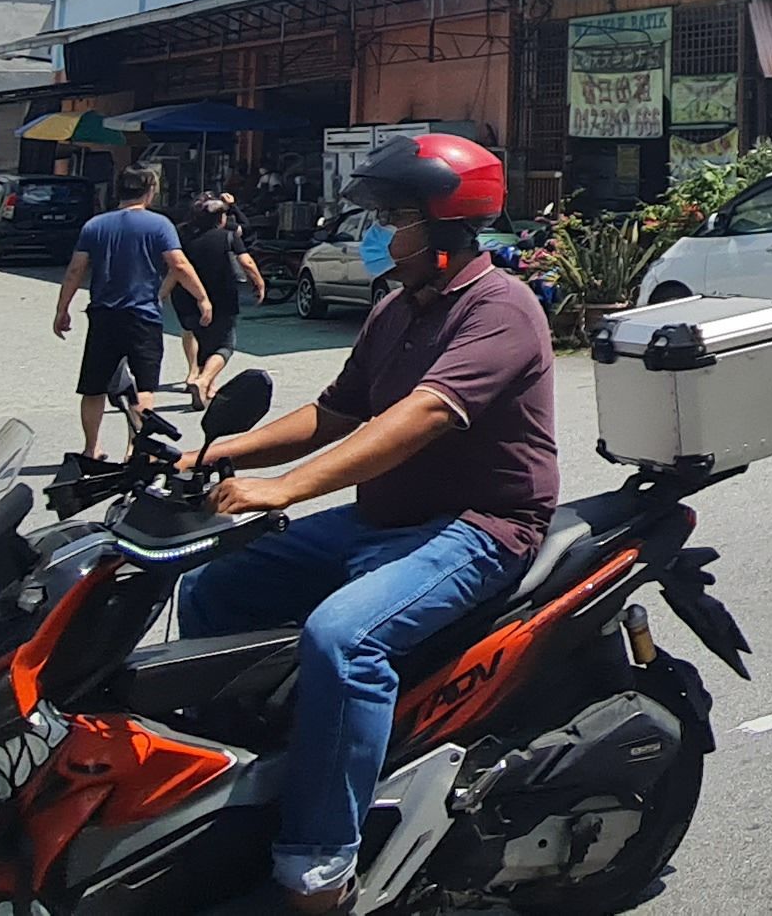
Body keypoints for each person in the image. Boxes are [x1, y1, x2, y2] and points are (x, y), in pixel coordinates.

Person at [174, 134, 558, 912]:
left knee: (344, 640)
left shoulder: (500, 309)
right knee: (214, 586)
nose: (381, 232)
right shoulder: (396, 308)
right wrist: (214, 453)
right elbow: (335, 412)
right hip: (382, 520)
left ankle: (320, 867)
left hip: (480, 528)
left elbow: (423, 416)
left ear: (445, 227)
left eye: (396, 217)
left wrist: (285, 489)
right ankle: (246, 777)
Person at [51, 165, 207, 459]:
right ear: (150, 191)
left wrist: (63, 309)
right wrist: (202, 298)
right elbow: (179, 264)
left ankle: (91, 448)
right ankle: (135, 449)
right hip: (142, 316)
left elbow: (75, 270)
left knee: (94, 387)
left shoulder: (95, 226)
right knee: (144, 386)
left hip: (103, 315)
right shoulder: (160, 225)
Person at [177, 190, 269, 409]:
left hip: (190, 298)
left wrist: (163, 293)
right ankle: (203, 380)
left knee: (204, 342)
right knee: (225, 345)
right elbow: (246, 263)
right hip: (222, 297)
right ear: (220, 219)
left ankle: (205, 387)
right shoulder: (228, 236)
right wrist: (259, 283)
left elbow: (175, 267)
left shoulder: (185, 236)